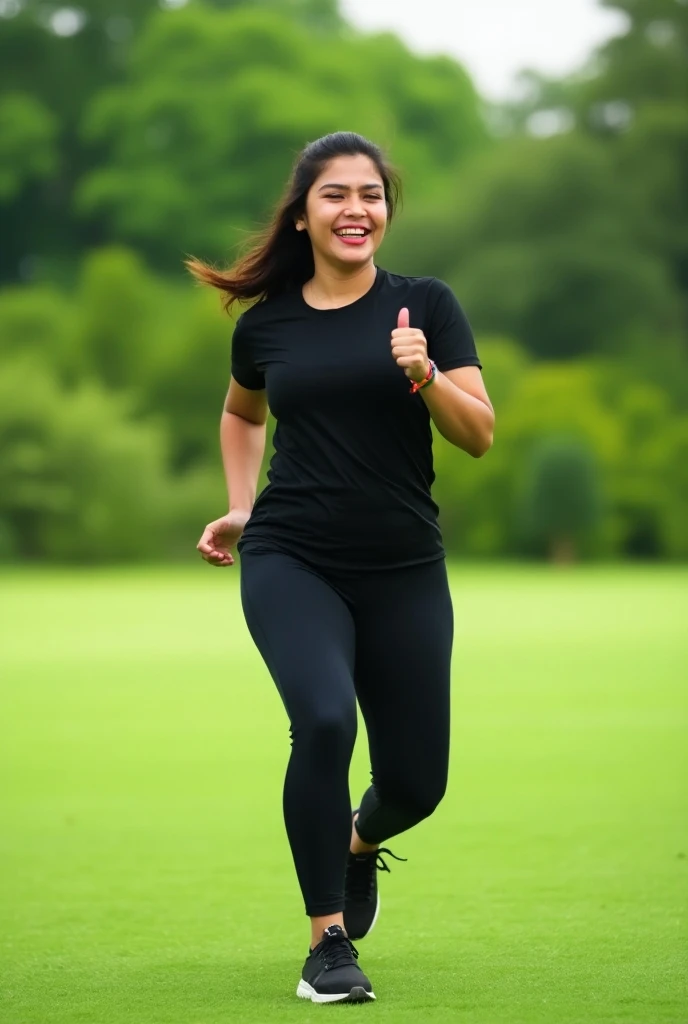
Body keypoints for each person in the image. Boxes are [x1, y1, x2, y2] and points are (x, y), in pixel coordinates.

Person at [187, 131, 494, 1005]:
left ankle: (357, 843)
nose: (356, 208)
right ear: (303, 214)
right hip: (292, 555)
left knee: (416, 783)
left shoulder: (426, 304)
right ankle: (327, 946)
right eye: (335, 194)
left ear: (386, 211)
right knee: (322, 721)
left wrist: (427, 375)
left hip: (402, 565)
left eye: (371, 194)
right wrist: (244, 505)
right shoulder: (269, 324)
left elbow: (479, 435)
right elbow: (241, 415)